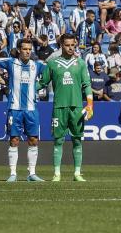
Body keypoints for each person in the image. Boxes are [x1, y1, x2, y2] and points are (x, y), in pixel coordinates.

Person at [39, 34, 93, 182]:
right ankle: (57, 173)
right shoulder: (52, 63)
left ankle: (77, 173)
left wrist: (90, 104)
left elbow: (87, 85)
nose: (70, 48)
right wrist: (27, 90)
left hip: (76, 107)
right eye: (67, 45)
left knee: (77, 140)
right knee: (58, 141)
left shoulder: (80, 63)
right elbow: (42, 83)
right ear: (61, 45)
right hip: (59, 107)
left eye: (73, 45)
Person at [0, 37, 45, 182]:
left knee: (33, 140)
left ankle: (31, 173)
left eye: (29, 49)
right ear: (19, 50)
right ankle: (13, 173)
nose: (28, 52)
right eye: (25, 49)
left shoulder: (37, 65)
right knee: (14, 140)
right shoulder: (11, 62)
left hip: (31, 109)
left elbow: (51, 72)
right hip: (14, 109)